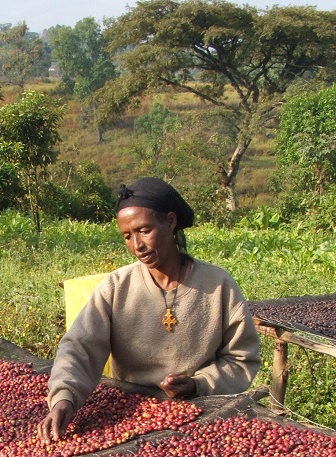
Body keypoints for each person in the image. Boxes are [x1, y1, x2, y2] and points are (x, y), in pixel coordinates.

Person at [38, 177, 261, 443]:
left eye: (144, 230)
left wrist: (197, 383)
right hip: (129, 412)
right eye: (127, 236)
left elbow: (241, 359)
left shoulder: (218, 285)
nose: (137, 246)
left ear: (170, 221)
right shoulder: (116, 286)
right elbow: (80, 347)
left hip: (204, 412)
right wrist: (64, 398)